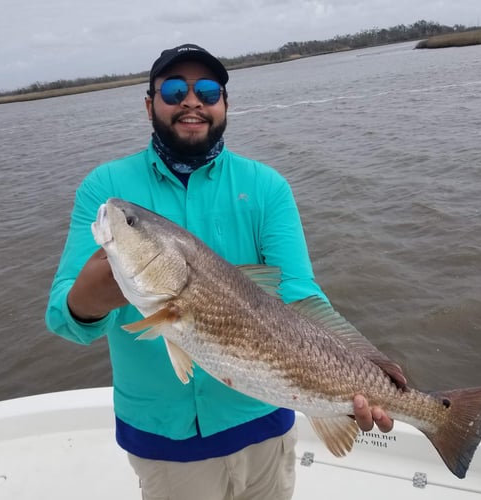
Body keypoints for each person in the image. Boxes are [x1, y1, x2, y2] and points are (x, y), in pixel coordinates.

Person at [45, 43, 393, 500]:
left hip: (269, 417)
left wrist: (368, 370)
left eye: (208, 90)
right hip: (165, 440)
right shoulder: (106, 189)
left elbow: (300, 296)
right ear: (150, 104)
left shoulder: (266, 187)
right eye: (174, 89)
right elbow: (65, 319)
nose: (192, 101)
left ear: (225, 104)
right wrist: (90, 300)